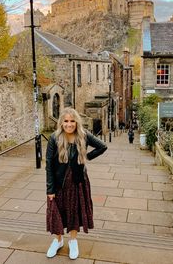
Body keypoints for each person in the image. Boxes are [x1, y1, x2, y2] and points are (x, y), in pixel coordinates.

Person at [46, 107, 107, 260]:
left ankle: (73, 241)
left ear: (76, 122)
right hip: (59, 184)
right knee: (57, 213)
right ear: (61, 122)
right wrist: (50, 189)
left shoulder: (83, 135)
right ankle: (58, 240)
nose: (69, 124)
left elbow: (102, 146)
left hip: (78, 182)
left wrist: (87, 157)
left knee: (75, 212)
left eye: (72, 121)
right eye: (66, 121)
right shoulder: (54, 138)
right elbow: (49, 165)